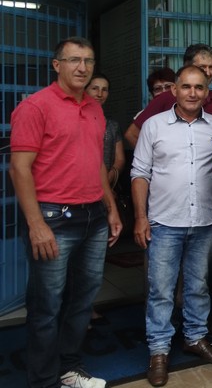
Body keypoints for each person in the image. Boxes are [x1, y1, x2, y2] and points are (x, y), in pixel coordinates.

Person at [10, 36, 121, 388]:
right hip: (53, 218)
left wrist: (111, 209)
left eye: (88, 61)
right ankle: (43, 380)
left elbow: (97, 165)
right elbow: (19, 169)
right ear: (56, 64)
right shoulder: (35, 107)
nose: (82, 68)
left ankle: (69, 369)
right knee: (46, 307)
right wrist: (36, 224)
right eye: (74, 60)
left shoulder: (94, 107)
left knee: (82, 301)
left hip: (93, 217)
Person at [131, 65, 212, 387]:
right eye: (186, 87)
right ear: (174, 90)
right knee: (161, 289)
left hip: (205, 221)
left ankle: (195, 337)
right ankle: (159, 350)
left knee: (198, 284)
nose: (192, 93)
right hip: (164, 221)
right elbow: (140, 173)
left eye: (199, 87)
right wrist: (141, 217)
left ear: (206, 92)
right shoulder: (153, 126)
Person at [124, 44, 212, 147]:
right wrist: (155, 160)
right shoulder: (165, 98)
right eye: (202, 67)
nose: (208, 72)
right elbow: (132, 134)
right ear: (187, 67)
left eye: (211, 67)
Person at [85, 72, 126, 328]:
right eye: (95, 88)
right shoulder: (77, 119)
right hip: (79, 196)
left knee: (94, 258)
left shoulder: (110, 125)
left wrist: (111, 174)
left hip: (105, 193)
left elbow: (119, 158)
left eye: (105, 89)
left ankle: (87, 307)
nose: (100, 94)